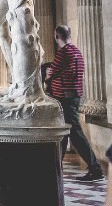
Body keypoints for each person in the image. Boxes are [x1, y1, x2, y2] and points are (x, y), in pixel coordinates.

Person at [46, 25, 104, 182]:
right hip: (73, 96)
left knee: (75, 134)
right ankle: (55, 167)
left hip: (65, 98)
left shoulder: (64, 53)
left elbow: (50, 73)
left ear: (57, 37)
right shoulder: (76, 51)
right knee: (64, 133)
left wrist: (47, 74)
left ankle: (95, 168)